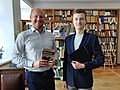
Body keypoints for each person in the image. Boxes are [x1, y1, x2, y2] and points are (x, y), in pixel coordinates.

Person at [12, 8, 58, 90]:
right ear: (30, 18)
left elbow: (55, 51)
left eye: (41, 17)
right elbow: (15, 58)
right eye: (35, 16)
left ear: (44, 19)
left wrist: (55, 60)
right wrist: (33, 64)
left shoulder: (50, 35)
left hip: (49, 75)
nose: (38, 19)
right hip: (33, 76)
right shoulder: (23, 36)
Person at [63, 9, 104, 90]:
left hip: (84, 81)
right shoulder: (68, 39)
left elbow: (100, 59)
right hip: (71, 82)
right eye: (76, 19)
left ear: (85, 21)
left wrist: (83, 65)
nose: (79, 21)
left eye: (81, 19)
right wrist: (65, 79)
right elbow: (66, 61)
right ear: (73, 21)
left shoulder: (92, 38)